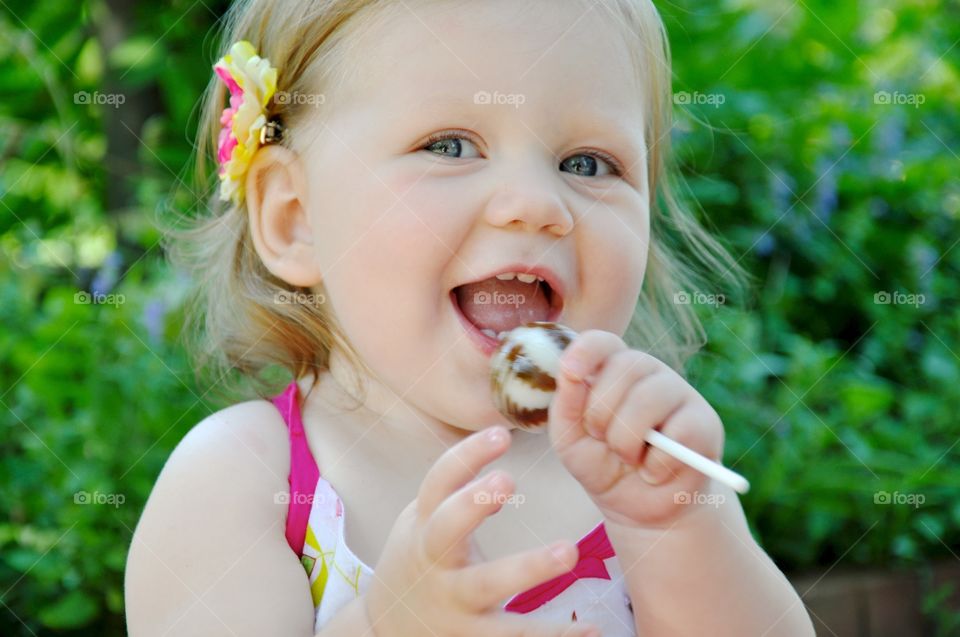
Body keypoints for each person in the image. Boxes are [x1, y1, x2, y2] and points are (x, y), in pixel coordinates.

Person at [125, 0, 816, 635]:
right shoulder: (241, 480)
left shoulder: (648, 478)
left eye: (587, 161)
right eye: (450, 146)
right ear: (296, 218)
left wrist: (679, 533)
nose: (536, 203)